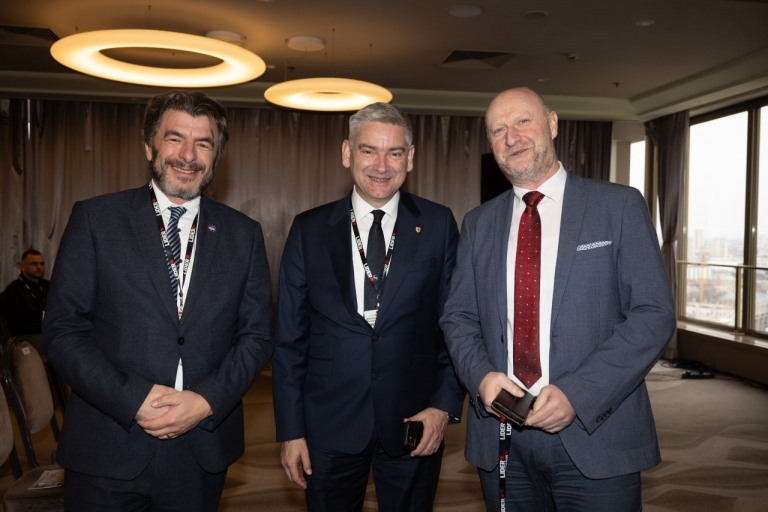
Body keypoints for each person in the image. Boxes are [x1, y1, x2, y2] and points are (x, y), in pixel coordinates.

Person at [440, 87, 676, 511]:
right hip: (502, 436)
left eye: (522, 121)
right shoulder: (478, 224)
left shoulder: (618, 206)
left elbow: (653, 315)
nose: (512, 137)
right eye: (498, 130)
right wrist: (481, 378)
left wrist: (577, 395)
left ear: (551, 124)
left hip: (596, 434)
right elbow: (458, 318)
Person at [42, 91, 272, 511]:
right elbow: (63, 331)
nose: (188, 155)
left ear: (216, 156)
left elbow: (256, 337)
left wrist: (206, 401)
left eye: (203, 143)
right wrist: (133, 399)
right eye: (174, 138)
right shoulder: (96, 220)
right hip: (107, 445)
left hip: (200, 451)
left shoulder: (244, 234)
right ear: (149, 146)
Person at [272, 102, 465, 512]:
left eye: (394, 152)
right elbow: (289, 339)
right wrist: (290, 430)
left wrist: (442, 407)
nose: (381, 165)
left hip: (415, 422)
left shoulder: (438, 225)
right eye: (368, 150)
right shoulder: (309, 229)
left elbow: (455, 326)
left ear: (410, 158)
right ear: (347, 153)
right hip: (328, 425)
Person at [2, 249, 49, 336]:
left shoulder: (49, 286)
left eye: (42, 264)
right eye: (34, 264)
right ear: (22, 267)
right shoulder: (13, 290)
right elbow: (16, 326)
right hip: (26, 338)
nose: (39, 267)